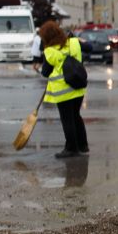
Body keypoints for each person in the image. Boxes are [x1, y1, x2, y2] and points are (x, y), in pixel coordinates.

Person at [39, 20, 88, 159]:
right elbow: (89, 47)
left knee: (67, 119)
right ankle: (83, 145)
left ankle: (71, 148)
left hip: (63, 90)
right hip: (78, 87)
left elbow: (45, 72)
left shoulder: (49, 51)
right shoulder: (73, 43)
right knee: (76, 116)